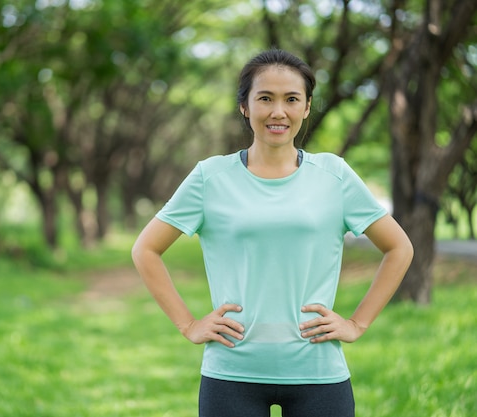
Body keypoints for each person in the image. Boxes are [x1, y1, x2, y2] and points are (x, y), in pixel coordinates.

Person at [131, 49, 414, 417]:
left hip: (319, 375)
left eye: (291, 99)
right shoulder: (210, 177)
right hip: (231, 375)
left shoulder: (335, 175)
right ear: (245, 107)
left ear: (307, 107)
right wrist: (188, 324)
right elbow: (145, 249)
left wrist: (357, 323)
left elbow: (399, 247)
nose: (278, 111)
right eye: (265, 98)